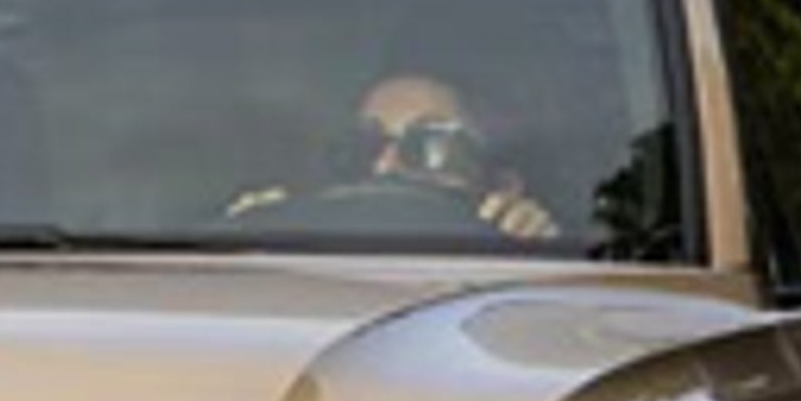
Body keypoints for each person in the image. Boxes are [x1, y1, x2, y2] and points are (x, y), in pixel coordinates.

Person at [225, 70, 562, 241]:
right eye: (364, 144)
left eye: (429, 144)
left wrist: (534, 248)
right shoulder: (303, 246)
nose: (385, 165)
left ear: (503, 185)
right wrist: (251, 234)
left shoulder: (529, 259)